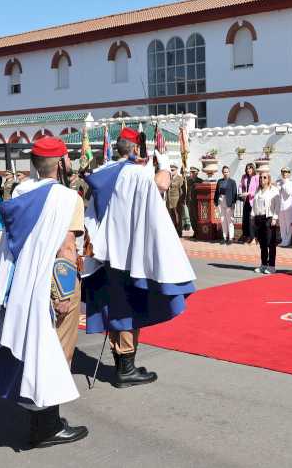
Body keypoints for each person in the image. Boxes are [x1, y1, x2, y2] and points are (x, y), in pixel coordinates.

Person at [0, 136, 88, 448]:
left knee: (34, 347)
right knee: (55, 350)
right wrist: (63, 294)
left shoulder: (20, 191)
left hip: (19, 283)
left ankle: (42, 420)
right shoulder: (66, 197)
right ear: (62, 163)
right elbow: (66, 247)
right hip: (50, 283)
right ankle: (47, 426)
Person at [82, 127, 196, 388]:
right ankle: (125, 369)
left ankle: (125, 362)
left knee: (116, 306)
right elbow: (163, 183)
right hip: (129, 253)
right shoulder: (138, 173)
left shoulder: (102, 173)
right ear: (135, 148)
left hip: (105, 252)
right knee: (127, 309)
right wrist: (164, 162)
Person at [252, 171, 281, 274]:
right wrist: (253, 216)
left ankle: (272, 266)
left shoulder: (274, 190)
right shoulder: (258, 190)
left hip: (269, 218)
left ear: (269, 179)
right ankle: (263, 265)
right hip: (259, 218)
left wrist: (275, 218)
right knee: (262, 243)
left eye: (264, 177)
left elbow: (278, 205)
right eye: (260, 178)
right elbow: (254, 205)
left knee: (270, 243)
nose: (262, 179)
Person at [214, 165, 237, 244]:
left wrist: (233, 203)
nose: (225, 173)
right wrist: (215, 201)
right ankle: (225, 237)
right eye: (224, 172)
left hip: (229, 202)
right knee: (223, 219)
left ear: (229, 172)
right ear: (222, 173)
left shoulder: (232, 182)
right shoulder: (220, 181)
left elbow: (234, 193)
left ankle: (231, 238)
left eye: (227, 172)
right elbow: (217, 192)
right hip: (221, 201)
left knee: (229, 220)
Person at [240, 163, 258, 243]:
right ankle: (247, 236)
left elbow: (258, 190)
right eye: (247, 168)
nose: (248, 170)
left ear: (253, 169)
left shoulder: (256, 177)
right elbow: (241, 186)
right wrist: (241, 192)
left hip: (253, 202)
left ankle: (254, 238)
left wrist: (249, 193)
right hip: (246, 201)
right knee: (246, 219)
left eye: (250, 168)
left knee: (252, 220)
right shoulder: (244, 177)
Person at [276, 167, 292, 246]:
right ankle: (283, 240)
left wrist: (283, 183)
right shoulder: (279, 182)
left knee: (288, 225)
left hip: (288, 207)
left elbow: (288, 193)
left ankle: (288, 241)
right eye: (283, 171)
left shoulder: (291, 183)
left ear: (289, 173)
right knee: (282, 225)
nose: (284, 173)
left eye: (286, 172)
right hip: (280, 207)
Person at [166, 164, 186, 236]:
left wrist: (182, 200)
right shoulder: (168, 178)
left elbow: (182, 190)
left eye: (173, 170)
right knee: (171, 217)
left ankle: (179, 231)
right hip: (169, 201)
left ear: (176, 170)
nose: (171, 172)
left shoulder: (180, 179)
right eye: (170, 170)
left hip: (177, 201)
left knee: (178, 217)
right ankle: (173, 231)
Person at [186, 166, 201, 239]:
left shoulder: (200, 181)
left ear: (197, 173)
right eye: (191, 172)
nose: (191, 173)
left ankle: (199, 232)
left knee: (196, 217)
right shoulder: (188, 181)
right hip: (190, 202)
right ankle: (195, 231)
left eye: (193, 172)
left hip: (196, 202)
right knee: (191, 218)